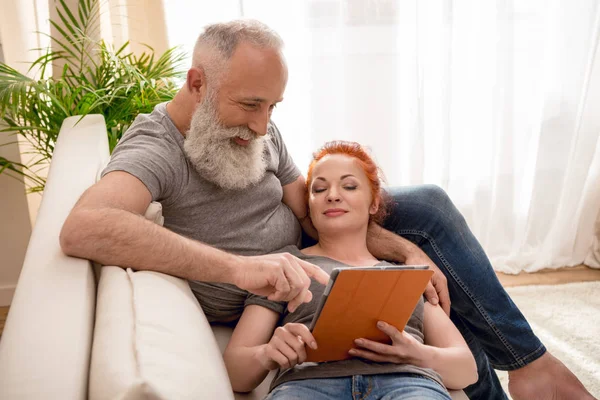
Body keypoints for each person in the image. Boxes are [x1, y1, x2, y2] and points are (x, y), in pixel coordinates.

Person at [58, 19, 595, 400]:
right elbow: (85, 227)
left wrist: (396, 249)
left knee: (427, 217)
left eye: (272, 107)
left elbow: (304, 203)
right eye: (250, 105)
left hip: (315, 252)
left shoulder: (258, 125)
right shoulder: (155, 147)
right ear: (197, 84)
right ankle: (529, 371)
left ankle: (531, 365)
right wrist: (242, 268)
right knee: (449, 320)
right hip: (274, 290)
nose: (263, 126)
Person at [223, 141, 478, 400]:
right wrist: (267, 353)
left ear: (373, 203)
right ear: (309, 206)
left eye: (349, 186)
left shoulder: (407, 276)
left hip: (407, 383)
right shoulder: (287, 266)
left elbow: (467, 370)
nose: (332, 195)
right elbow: (235, 372)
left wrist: (419, 354)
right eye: (319, 188)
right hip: (308, 385)